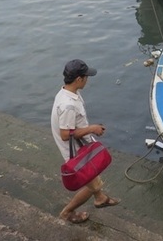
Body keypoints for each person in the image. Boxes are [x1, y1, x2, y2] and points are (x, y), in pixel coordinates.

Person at [51, 59, 120, 224]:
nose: (88, 80)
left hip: (81, 144)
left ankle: (100, 198)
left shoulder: (66, 93)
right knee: (91, 184)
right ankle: (67, 212)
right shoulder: (68, 105)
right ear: (78, 79)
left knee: (94, 178)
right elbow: (65, 134)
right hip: (75, 151)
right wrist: (92, 129)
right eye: (86, 77)